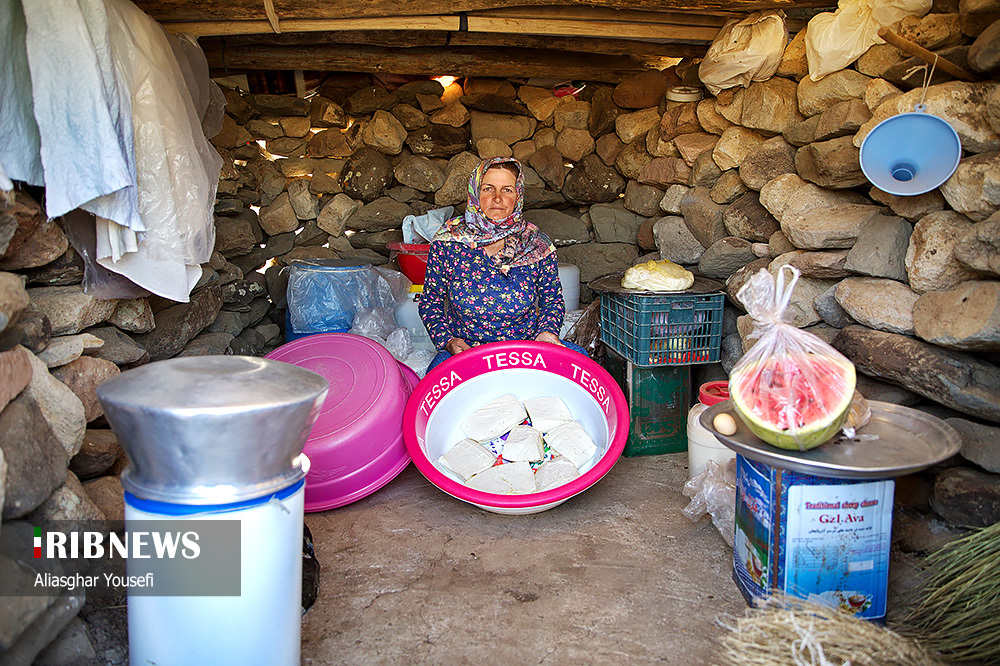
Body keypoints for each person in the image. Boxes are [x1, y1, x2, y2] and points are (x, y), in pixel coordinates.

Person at [419, 157, 586, 372]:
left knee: (581, 364)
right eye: (488, 189)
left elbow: (552, 300)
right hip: (467, 352)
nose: (497, 198)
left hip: (525, 350)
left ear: (518, 195)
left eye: (507, 190)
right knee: (436, 379)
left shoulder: (536, 245)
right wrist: (448, 341)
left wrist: (546, 332)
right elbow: (430, 302)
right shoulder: (449, 242)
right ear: (475, 193)